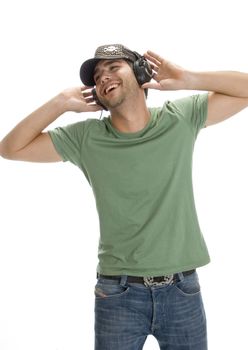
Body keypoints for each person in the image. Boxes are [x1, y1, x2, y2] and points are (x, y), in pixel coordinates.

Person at [1, 43, 248, 350]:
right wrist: (60, 102)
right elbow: (10, 148)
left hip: (182, 290)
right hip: (118, 295)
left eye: (113, 67)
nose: (103, 77)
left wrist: (188, 78)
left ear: (140, 73)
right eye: (97, 76)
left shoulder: (180, 117)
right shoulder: (86, 138)